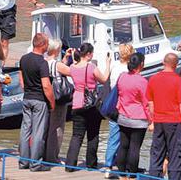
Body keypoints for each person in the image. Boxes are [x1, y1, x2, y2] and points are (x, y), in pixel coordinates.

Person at [65, 42, 110, 171]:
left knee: (76, 136)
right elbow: (104, 79)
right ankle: (91, 164)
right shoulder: (91, 67)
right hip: (91, 105)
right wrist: (108, 64)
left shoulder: (73, 67)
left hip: (77, 103)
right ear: (89, 54)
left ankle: (70, 165)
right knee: (93, 135)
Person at [146, 53, 181, 180]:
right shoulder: (179, 81)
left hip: (159, 121)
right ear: (176, 65)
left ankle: (154, 178)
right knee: (176, 156)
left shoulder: (153, 79)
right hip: (175, 122)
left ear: (163, 62)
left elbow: (150, 103)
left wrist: (153, 120)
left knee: (157, 155)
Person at [19, 33, 55, 171]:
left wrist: (28, 89)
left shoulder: (24, 59)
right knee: (38, 132)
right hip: (39, 100)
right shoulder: (42, 62)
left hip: (27, 98)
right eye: (46, 43)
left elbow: (21, 80)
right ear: (42, 45)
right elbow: (46, 86)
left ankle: (24, 162)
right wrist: (52, 103)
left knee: (25, 130)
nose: (48, 46)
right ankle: (35, 163)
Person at [115, 53, 150, 180]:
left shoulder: (122, 77)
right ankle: (133, 175)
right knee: (135, 147)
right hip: (138, 119)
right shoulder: (142, 81)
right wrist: (151, 120)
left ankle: (121, 174)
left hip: (123, 116)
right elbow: (146, 103)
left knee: (123, 145)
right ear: (141, 65)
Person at [103, 43, 134, 174]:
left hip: (114, 105)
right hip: (126, 105)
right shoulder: (129, 70)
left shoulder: (115, 66)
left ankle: (108, 164)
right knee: (127, 136)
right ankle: (124, 163)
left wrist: (108, 63)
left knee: (113, 136)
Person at [44, 38, 74, 164]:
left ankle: (45, 154)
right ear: (56, 50)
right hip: (59, 100)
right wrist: (75, 59)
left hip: (47, 97)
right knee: (58, 129)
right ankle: (53, 157)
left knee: (48, 127)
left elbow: (57, 69)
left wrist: (65, 58)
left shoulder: (45, 62)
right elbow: (73, 72)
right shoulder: (57, 65)